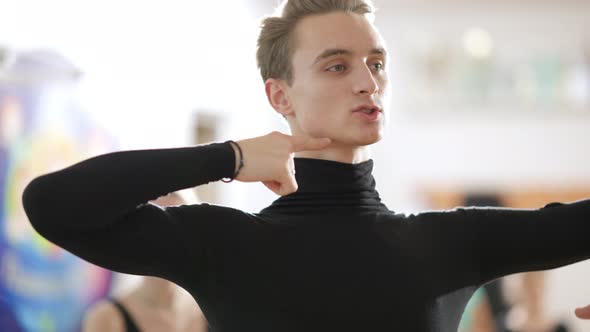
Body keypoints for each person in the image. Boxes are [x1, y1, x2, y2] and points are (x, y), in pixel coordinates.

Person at [20, 0, 590, 331]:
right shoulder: (221, 244)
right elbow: (51, 204)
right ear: (280, 97)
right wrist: (230, 156)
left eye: (376, 63)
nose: (369, 82)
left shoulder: (452, 241)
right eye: (337, 66)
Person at [81, 191, 210, 332]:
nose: (166, 241)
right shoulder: (106, 318)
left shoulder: (213, 311)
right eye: (154, 227)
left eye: (179, 227)